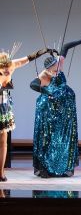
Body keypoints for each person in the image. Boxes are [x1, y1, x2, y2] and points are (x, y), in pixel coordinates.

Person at [30, 38, 81, 178]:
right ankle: (45, 168)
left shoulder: (58, 64)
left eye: (57, 65)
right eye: (54, 67)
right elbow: (33, 84)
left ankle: (61, 167)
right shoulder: (44, 74)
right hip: (49, 109)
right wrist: (47, 91)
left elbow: (65, 46)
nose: (57, 68)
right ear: (48, 68)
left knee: (62, 137)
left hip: (64, 110)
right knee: (48, 136)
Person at [0, 44, 54, 182]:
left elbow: (28, 59)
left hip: (3, 107)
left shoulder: (11, 65)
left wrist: (43, 51)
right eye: (3, 70)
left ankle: (1, 172)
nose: (7, 71)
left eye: (8, 69)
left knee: (3, 142)